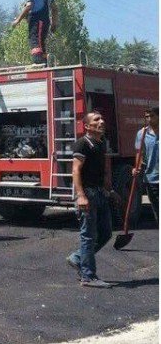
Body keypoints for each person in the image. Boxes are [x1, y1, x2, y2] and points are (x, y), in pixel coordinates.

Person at [66, 112, 120, 288]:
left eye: (102, 119)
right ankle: (88, 276)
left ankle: (77, 258)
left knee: (106, 232)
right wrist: (81, 196)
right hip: (87, 193)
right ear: (87, 126)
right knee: (88, 236)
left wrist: (110, 191)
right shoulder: (82, 144)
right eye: (96, 120)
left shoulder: (100, 143)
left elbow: (103, 171)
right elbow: (75, 171)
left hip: (99, 193)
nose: (102, 121)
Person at [11, 0, 58, 66]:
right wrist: (54, 24)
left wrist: (18, 20)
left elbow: (29, 6)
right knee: (41, 43)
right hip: (45, 22)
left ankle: (38, 61)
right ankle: (45, 61)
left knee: (35, 40)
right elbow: (55, 9)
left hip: (37, 22)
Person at [134, 107, 159, 223]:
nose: (149, 119)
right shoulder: (142, 133)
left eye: (152, 116)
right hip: (151, 178)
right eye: (147, 117)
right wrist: (137, 167)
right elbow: (140, 153)